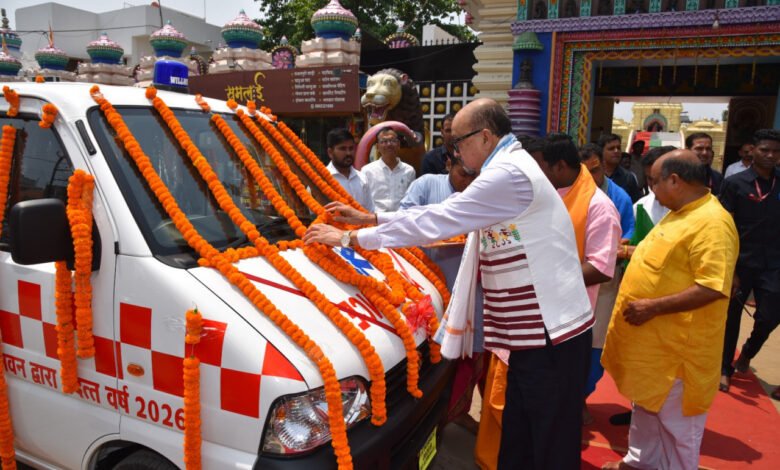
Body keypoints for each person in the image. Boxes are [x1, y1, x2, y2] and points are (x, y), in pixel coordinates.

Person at [305, 98, 593, 469]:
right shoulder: (507, 166)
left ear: (486, 137)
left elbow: (440, 219)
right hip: (534, 336)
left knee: (548, 443)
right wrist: (368, 217)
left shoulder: (507, 173)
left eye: (458, 142)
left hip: (550, 335)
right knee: (521, 436)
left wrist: (350, 238)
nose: (454, 151)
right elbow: (435, 213)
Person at [601, 149, 739, 470]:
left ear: (674, 180)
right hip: (654, 349)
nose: (651, 190)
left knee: (679, 430)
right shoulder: (681, 213)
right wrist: (627, 251)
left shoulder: (712, 223)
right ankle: (640, 463)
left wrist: (652, 306)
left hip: (679, 353)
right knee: (647, 411)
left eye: (654, 182)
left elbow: (713, 286)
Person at [400, 154, 484, 432]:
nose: (469, 182)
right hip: (430, 287)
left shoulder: (481, 193)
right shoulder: (426, 185)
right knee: (432, 353)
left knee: (470, 352)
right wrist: (431, 232)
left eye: (474, 176)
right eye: (464, 174)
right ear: (449, 165)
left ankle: (458, 409)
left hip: (471, 288)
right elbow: (404, 218)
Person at [718, 129, 780, 398]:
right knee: (730, 318)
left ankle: (748, 352)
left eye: (776, 151)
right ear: (752, 150)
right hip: (741, 263)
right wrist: (729, 268)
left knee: (770, 316)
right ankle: (724, 369)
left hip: (774, 263)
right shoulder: (735, 183)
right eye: (765, 150)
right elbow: (724, 226)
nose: (770, 155)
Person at [579, 143, 635, 424]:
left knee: (595, 344)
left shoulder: (619, 197)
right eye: (585, 172)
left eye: (596, 170)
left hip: (604, 282)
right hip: (574, 280)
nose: (591, 177)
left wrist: (622, 243)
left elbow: (631, 233)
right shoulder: (569, 193)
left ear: (603, 165)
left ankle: (583, 397)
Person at [361, 127, 416, 212]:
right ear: (377, 147)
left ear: (398, 144)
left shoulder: (409, 171)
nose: (389, 144)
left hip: (400, 220)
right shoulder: (367, 171)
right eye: (384, 141)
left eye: (392, 141)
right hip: (376, 220)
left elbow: (411, 199)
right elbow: (363, 201)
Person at [325, 128, 374, 211]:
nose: (348, 153)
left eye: (351, 148)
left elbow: (370, 211)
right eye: (342, 149)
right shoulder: (321, 178)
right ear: (330, 152)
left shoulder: (362, 178)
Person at [599, 133, 642, 202]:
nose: (616, 151)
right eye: (611, 149)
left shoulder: (628, 177)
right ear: (601, 152)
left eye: (618, 148)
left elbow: (635, 204)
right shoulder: (594, 175)